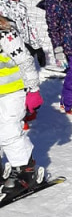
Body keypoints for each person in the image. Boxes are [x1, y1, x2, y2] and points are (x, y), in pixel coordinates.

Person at [0, 14, 44, 193]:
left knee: (9, 131)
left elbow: (26, 61)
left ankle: (25, 171)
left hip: (12, 92)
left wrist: (33, 90)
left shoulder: (6, 34)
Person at [0, 0, 46, 68]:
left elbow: (29, 26)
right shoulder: (1, 6)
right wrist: (21, 46)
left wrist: (37, 47)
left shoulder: (19, 4)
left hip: (24, 56)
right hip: (8, 58)